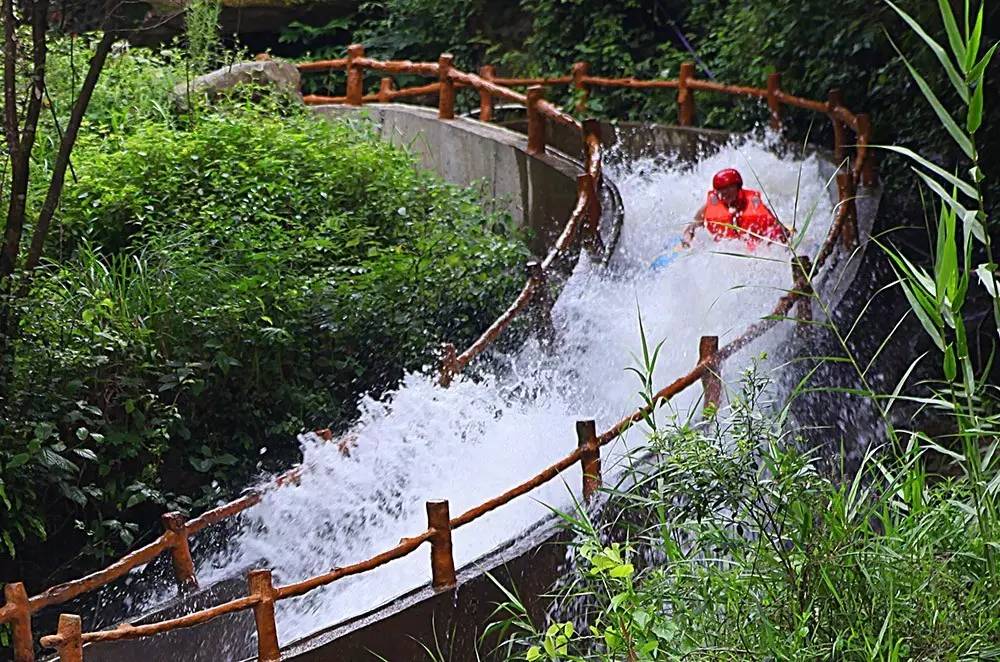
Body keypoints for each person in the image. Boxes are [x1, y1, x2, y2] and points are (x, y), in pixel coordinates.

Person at [680, 168, 789, 249]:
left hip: (755, 248)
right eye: (721, 191)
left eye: (729, 189)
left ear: (738, 188)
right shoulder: (709, 207)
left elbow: (779, 228)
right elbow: (691, 227)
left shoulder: (754, 203)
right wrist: (687, 241)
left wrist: (784, 238)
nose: (725, 194)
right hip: (727, 250)